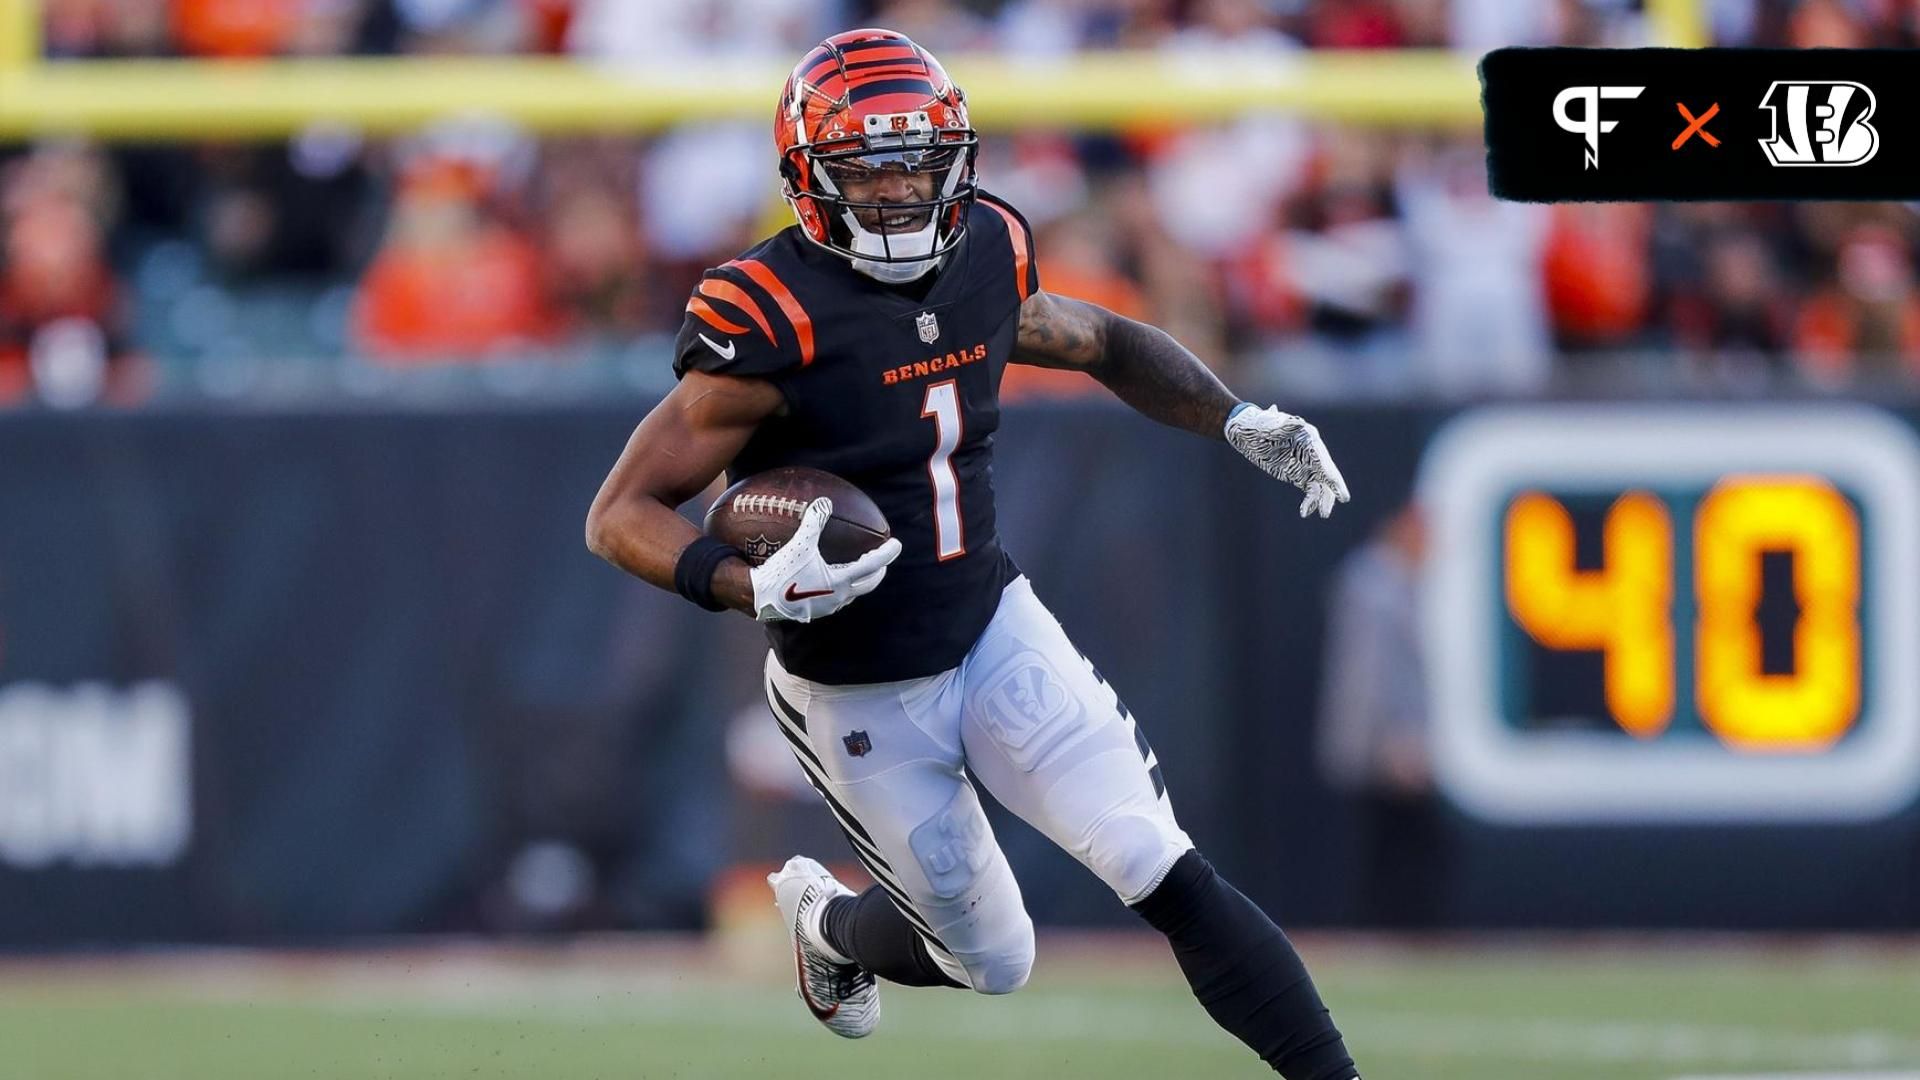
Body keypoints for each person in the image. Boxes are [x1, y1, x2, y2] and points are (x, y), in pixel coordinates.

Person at [584, 29, 1358, 1080]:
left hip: (992, 627)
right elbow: (621, 510)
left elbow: (1106, 341)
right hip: (857, 692)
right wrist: (741, 583)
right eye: (869, 165)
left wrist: (1234, 418)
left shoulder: (990, 246)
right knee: (994, 959)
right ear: (811, 179)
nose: (902, 189)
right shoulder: (768, 315)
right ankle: (829, 927)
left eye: (919, 160)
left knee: (1153, 859)